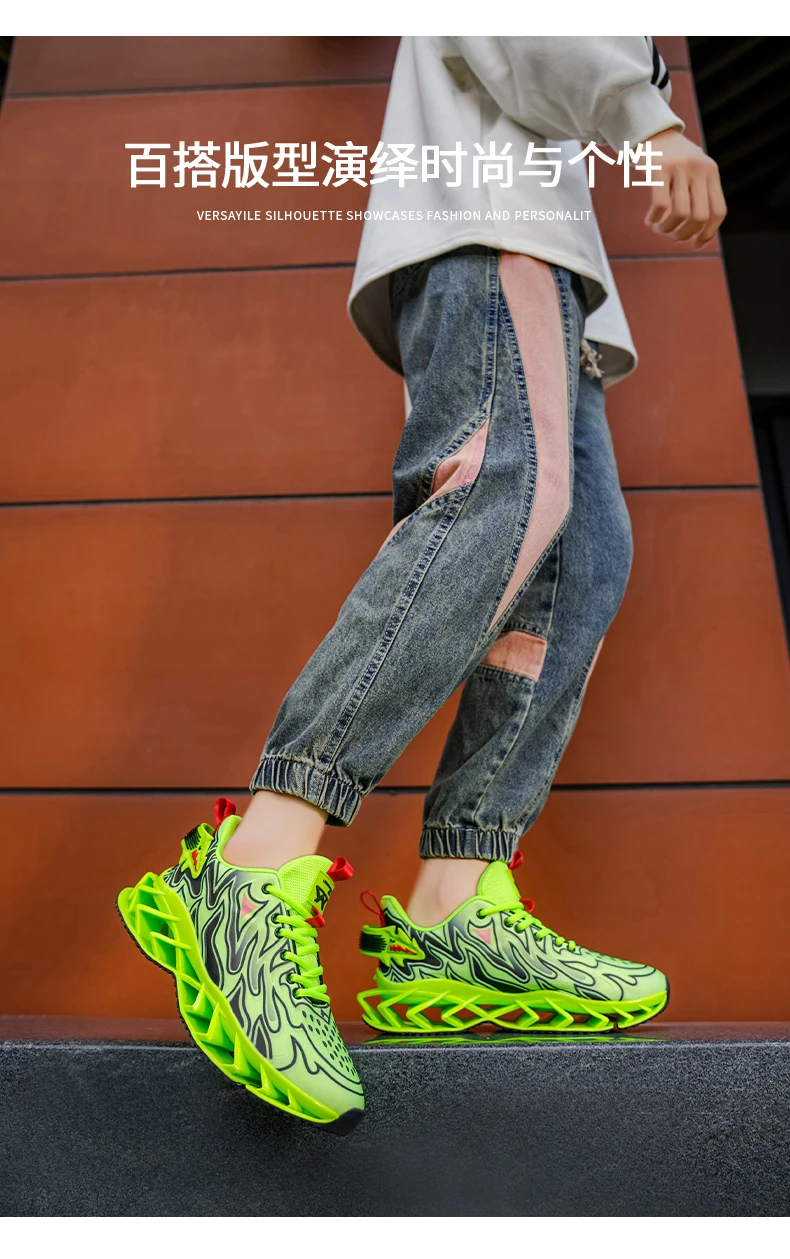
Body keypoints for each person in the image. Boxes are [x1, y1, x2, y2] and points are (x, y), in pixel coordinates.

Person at [118, 36, 726, 1130]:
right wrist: (655, 122)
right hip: (489, 230)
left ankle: (457, 902)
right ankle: (251, 866)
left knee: (580, 563)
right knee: (502, 496)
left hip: (551, 269)